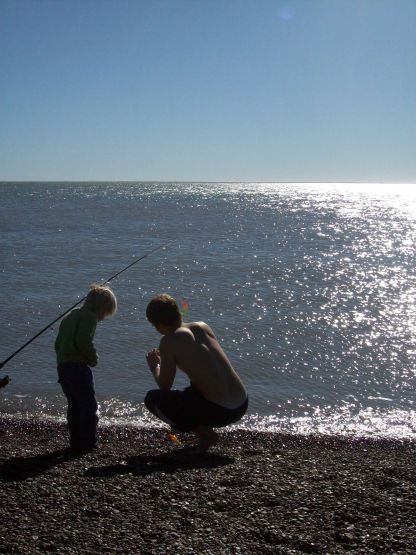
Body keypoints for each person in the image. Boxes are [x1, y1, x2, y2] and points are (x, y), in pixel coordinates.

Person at [144, 294, 248, 453]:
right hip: (241, 404)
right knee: (194, 389)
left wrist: (154, 366)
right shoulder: (202, 326)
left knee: (153, 399)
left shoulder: (169, 340)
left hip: (221, 411)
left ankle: (206, 434)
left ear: (157, 324)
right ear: (177, 312)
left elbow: (164, 385)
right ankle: (203, 428)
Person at [55, 284, 117, 453]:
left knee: (74, 405)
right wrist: (92, 358)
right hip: (78, 367)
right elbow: (83, 340)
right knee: (88, 406)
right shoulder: (89, 317)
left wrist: (63, 360)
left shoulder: (71, 315)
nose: (103, 318)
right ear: (102, 308)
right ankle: (88, 442)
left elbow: (58, 343)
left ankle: (75, 440)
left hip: (63, 366)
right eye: (105, 313)